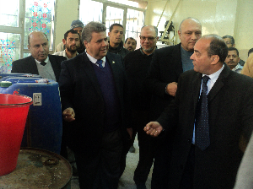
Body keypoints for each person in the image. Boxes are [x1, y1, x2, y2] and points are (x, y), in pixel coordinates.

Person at [145, 34, 253, 189]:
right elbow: (176, 107)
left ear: (214, 59)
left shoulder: (244, 87)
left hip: (218, 165)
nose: (192, 57)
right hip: (185, 156)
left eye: (197, 53)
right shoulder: (187, 78)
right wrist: (161, 122)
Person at [59, 21, 132, 189]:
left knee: (112, 174)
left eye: (105, 39)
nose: (105, 44)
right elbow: (64, 93)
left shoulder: (117, 60)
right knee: (89, 176)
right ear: (86, 43)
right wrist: (67, 107)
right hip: (86, 136)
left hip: (114, 134)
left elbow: (125, 94)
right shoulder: (71, 66)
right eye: (99, 41)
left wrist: (128, 124)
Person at [144, 17, 202, 189]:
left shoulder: (206, 57)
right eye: (188, 33)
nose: (193, 37)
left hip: (194, 126)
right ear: (179, 34)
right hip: (167, 121)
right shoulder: (163, 55)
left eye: (197, 33)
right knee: (163, 168)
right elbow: (148, 83)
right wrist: (165, 88)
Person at [124, 25, 159, 189]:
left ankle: (140, 180)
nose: (145, 41)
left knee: (147, 153)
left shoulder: (162, 58)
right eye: (143, 37)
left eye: (150, 38)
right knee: (122, 146)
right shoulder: (129, 58)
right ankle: (115, 175)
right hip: (130, 112)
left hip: (151, 114)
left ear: (157, 39)